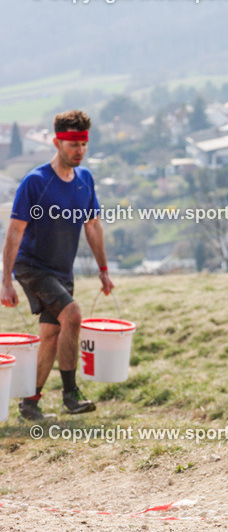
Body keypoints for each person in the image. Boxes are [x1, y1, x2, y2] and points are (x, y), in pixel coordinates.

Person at [1, 109, 115, 419]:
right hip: (32, 267)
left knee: (51, 334)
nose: (79, 151)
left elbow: (92, 226)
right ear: (57, 143)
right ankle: (70, 394)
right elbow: (15, 231)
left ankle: (30, 403)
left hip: (62, 271)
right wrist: (6, 280)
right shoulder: (36, 182)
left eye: (83, 145)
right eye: (72, 145)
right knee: (74, 315)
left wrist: (103, 270)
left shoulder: (85, 180)